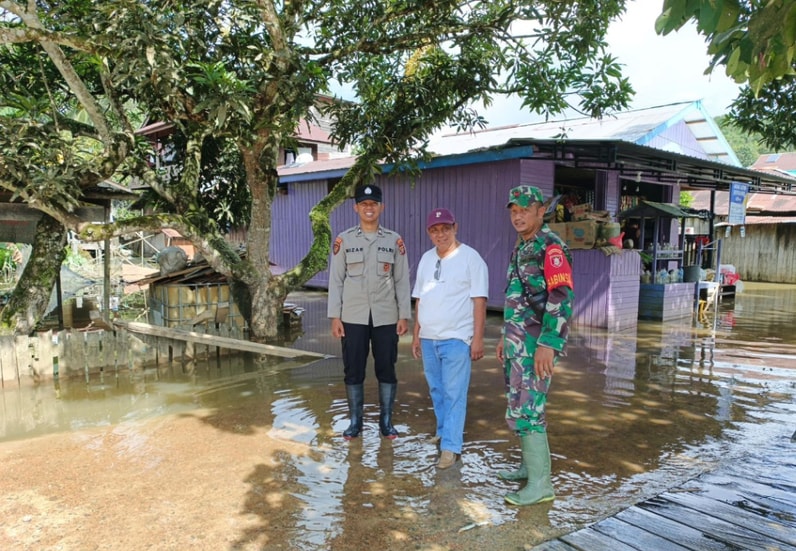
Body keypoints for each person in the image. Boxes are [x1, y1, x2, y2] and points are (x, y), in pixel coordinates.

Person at [496, 185, 574, 506]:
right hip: (518, 344)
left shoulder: (550, 247)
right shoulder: (523, 247)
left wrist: (549, 344)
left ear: (541, 211)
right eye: (514, 211)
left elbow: (561, 296)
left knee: (529, 407)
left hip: (536, 344)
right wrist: (506, 337)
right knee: (518, 403)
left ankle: (541, 485)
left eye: (525, 210)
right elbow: (517, 298)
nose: (518, 216)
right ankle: (529, 468)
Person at [328, 184, 412, 440]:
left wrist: (403, 314)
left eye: (373, 204)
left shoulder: (393, 240)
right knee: (353, 369)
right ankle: (356, 422)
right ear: (356, 208)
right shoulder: (344, 240)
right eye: (364, 204)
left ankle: (386, 421)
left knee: (387, 367)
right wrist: (335, 316)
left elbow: (401, 280)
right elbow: (336, 280)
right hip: (352, 317)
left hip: (386, 316)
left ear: (381, 207)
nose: (369, 208)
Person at [411, 208, 488, 469]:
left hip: (457, 338)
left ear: (455, 228)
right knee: (437, 389)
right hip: (429, 338)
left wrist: (478, 339)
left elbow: (479, 301)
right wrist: (416, 334)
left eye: (445, 228)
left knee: (454, 393)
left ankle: (451, 448)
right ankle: (444, 432)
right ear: (428, 233)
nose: (440, 234)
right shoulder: (426, 259)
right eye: (435, 230)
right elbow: (420, 299)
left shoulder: (471, 259)